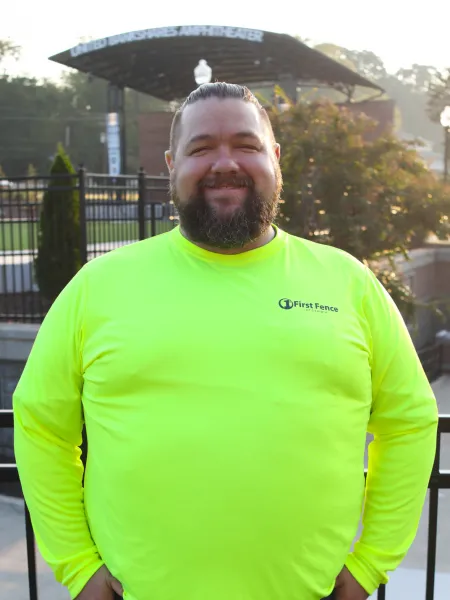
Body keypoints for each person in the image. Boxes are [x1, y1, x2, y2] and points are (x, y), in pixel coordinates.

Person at [13, 82, 438, 600]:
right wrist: (77, 565)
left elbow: (410, 421)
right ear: (172, 163)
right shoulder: (98, 286)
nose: (224, 163)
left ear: (275, 158)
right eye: (200, 148)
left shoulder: (349, 283)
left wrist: (372, 562)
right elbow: (41, 428)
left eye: (246, 144)